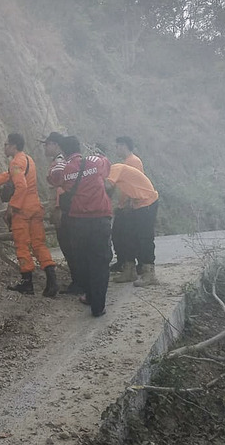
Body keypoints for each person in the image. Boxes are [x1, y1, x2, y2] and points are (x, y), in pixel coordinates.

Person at [0, 133, 59, 296]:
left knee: (22, 245)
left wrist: (12, 207)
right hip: (35, 207)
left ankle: (27, 283)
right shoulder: (28, 160)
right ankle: (52, 282)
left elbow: (21, 186)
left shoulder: (16, 162)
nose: (4, 147)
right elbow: (8, 175)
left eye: (6, 144)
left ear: (13, 146)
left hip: (23, 211)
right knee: (39, 244)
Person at [48, 135, 113, 317]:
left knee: (82, 260)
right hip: (100, 218)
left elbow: (53, 179)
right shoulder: (93, 162)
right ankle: (97, 306)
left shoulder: (64, 168)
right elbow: (106, 164)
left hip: (78, 222)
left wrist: (60, 162)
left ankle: (89, 295)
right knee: (100, 261)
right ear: (79, 149)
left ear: (63, 150)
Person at [105, 163, 160, 287]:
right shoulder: (117, 172)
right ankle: (129, 270)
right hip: (136, 203)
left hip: (147, 202)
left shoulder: (115, 168)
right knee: (128, 236)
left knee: (145, 237)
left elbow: (108, 186)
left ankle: (149, 273)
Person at [40, 132, 81, 295]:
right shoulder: (61, 162)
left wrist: (58, 209)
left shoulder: (60, 163)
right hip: (63, 209)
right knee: (70, 247)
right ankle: (78, 281)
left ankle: (79, 283)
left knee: (69, 247)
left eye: (47, 144)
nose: (45, 147)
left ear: (56, 145)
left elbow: (62, 187)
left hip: (62, 210)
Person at [111, 136, 144, 276]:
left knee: (127, 235)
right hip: (123, 204)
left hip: (129, 205)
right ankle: (123, 261)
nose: (116, 149)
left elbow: (135, 184)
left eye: (118, 146)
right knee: (119, 235)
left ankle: (133, 263)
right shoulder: (127, 162)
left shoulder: (133, 162)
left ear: (124, 146)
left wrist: (129, 202)